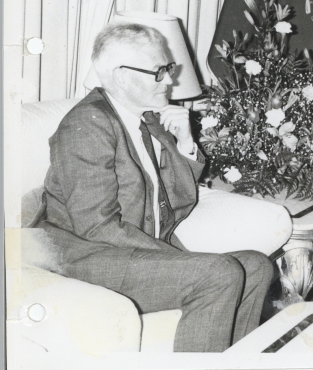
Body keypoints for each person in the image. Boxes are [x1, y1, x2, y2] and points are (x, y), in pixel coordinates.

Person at [38, 23, 276, 352]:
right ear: (121, 76)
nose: (169, 80)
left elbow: (180, 200)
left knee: (257, 266)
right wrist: (175, 258)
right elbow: (97, 227)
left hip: (134, 252)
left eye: (168, 68)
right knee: (219, 273)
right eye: (159, 71)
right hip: (87, 258)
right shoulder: (85, 126)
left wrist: (186, 142)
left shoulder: (150, 117)